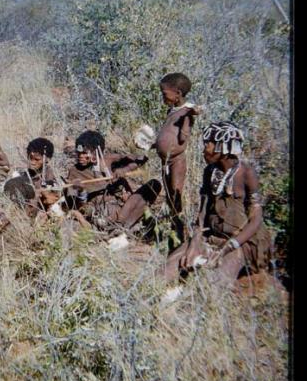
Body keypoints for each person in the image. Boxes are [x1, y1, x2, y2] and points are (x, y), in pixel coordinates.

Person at [162, 121, 273, 286]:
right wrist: (194, 243)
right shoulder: (210, 172)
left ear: (224, 147)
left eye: (209, 143)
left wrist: (227, 248)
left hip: (240, 243)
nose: (204, 148)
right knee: (164, 272)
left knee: (211, 285)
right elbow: (203, 212)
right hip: (211, 238)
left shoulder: (246, 173)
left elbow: (255, 220)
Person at [65, 130, 160, 232]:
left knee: (154, 185)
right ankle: (122, 228)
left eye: (84, 153)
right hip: (103, 214)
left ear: (96, 152)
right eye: (78, 153)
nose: (81, 157)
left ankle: (125, 227)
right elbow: (73, 205)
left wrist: (123, 170)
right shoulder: (74, 172)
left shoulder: (107, 160)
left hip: (123, 206)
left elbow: (141, 159)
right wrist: (81, 191)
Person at [155, 73, 202, 247]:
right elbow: (169, 135)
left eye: (165, 94)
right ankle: (173, 228)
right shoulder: (173, 111)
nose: (162, 97)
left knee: (176, 194)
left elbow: (182, 139)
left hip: (176, 161)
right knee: (169, 195)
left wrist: (188, 119)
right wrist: (155, 143)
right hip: (165, 161)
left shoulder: (186, 112)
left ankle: (180, 234)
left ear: (178, 93)